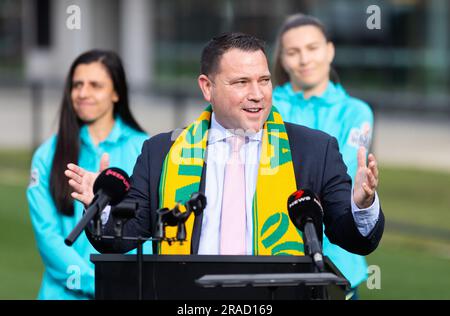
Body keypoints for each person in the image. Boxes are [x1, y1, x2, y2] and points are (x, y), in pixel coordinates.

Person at [65, 33, 384, 262]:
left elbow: (353, 237)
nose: (257, 94)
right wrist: (101, 204)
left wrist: (362, 204)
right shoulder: (161, 152)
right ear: (207, 87)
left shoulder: (314, 150)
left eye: (264, 80)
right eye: (241, 82)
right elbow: (124, 236)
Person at [26, 50, 150, 300]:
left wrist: (127, 286)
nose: (83, 93)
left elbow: (147, 233)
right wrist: (98, 284)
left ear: (116, 93)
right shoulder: (46, 155)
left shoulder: (145, 149)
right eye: (77, 85)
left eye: (95, 85)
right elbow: (48, 237)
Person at [272, 13, 374, 299]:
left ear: (330, 50)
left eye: (312, 48)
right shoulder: (265, 103)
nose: (304, 60)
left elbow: (342, 180)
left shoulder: (356, 112)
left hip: (338, 258)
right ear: (282, 59)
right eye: (293, 52)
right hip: (275, 248)